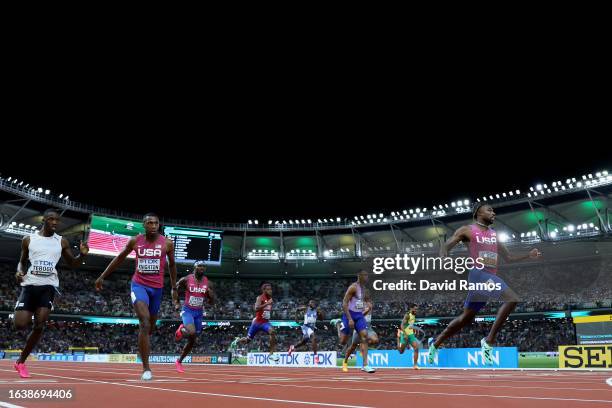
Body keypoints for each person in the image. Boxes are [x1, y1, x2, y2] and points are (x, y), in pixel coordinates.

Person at [428, 203, 541, 365]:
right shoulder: (467, 230)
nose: (493, 212)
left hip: (486, 278)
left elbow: (509, 258)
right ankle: (488, 341)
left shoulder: (494, 234)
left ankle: (435, 343)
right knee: (512, 298)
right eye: (489, 210)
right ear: (478, 213)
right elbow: (446, 246)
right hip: (478, 275)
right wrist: (444, 257)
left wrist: (528, 255)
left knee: (465, 318)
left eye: (493, 210)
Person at [95, 213, 178, 380]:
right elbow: (119, 258)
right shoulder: (135, 241)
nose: (153, 226)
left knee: (150, 327)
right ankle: (146, 368)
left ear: (159, 225)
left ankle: (143, 343)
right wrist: (102, 276)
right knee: (145, 323)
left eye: (156, 223)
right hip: (139, 285)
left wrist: (174, 287)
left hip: (157, 289)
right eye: (149, 223)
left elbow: (173, 265)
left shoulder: (168, 243)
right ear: (144, 225)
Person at [13, 208, 89, 378]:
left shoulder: (61, 242)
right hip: (30, 286)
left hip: (48, 287)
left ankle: (20, 362)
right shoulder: (28, 240)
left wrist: (82, 256)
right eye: (51, 219)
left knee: (39, 324)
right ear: (44, 220)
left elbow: (73, 264)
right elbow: (21, 262)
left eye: (57, 220)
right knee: (20, 325)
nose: (55, 223)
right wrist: (19, 272)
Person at [330, 270, 375, 373]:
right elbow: (344, 303)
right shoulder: (353, 287)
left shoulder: (365, 290)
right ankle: (338, 324)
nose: (367, 277)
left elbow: (367, 300)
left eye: (367, 275)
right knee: (343, 341)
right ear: (359, 276)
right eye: (365, 275)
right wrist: (350, 319)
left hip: (359, 316)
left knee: (364, 336)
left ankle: (365, 365)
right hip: (349, 314)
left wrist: (369, 305)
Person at [174, 261, 215, 373]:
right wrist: (177, 302)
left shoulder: (208, 283)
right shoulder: (186, 279)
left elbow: (212, 302)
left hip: (199, 312)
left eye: (203, 266)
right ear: (195, 268)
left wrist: (211, 297)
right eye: (199, 266)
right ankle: (182, 328)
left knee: (193, 340)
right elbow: (175, 289)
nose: (202, 268)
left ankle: (179, 361)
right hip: (187, 311)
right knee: (191, 332)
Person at [230, 282, 279, 362]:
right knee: (247, 341)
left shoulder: (270, 299)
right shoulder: (260, 298)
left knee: (272, 332)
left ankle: (271, 354)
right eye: (268, 289)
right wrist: (267, 303)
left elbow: (266, 311)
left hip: (265, 323)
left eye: (271, 289)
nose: (270, 291)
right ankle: (237, 340)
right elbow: (256, 308)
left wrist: (268, 312)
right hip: (256, 323)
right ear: (264, 290)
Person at [288, 299, 324, 364]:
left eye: (314, 302)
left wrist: (320, 314)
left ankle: (292, 347)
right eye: (312, 302)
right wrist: (296, 318)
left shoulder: (317, 310)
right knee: (313, 337)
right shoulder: (305, 309)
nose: (313, 303)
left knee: (303, 342)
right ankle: (316, 356)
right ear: (309, 304)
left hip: (312, 328)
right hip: (305, 327)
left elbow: (321, 319)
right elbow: (297, 310)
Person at [397, 303, 421, 369]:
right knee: (401, 352)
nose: (416, 310)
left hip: (411, 334)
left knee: (416, 348)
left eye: (417, 309)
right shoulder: (407, 315)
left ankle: (415, 365)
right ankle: (398, 338)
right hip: (405, 334)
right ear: (411, 308)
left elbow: (410, 324)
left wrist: (415, 329)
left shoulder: (414, 315)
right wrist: (404, 334)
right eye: (415, 309)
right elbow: (402, 325)